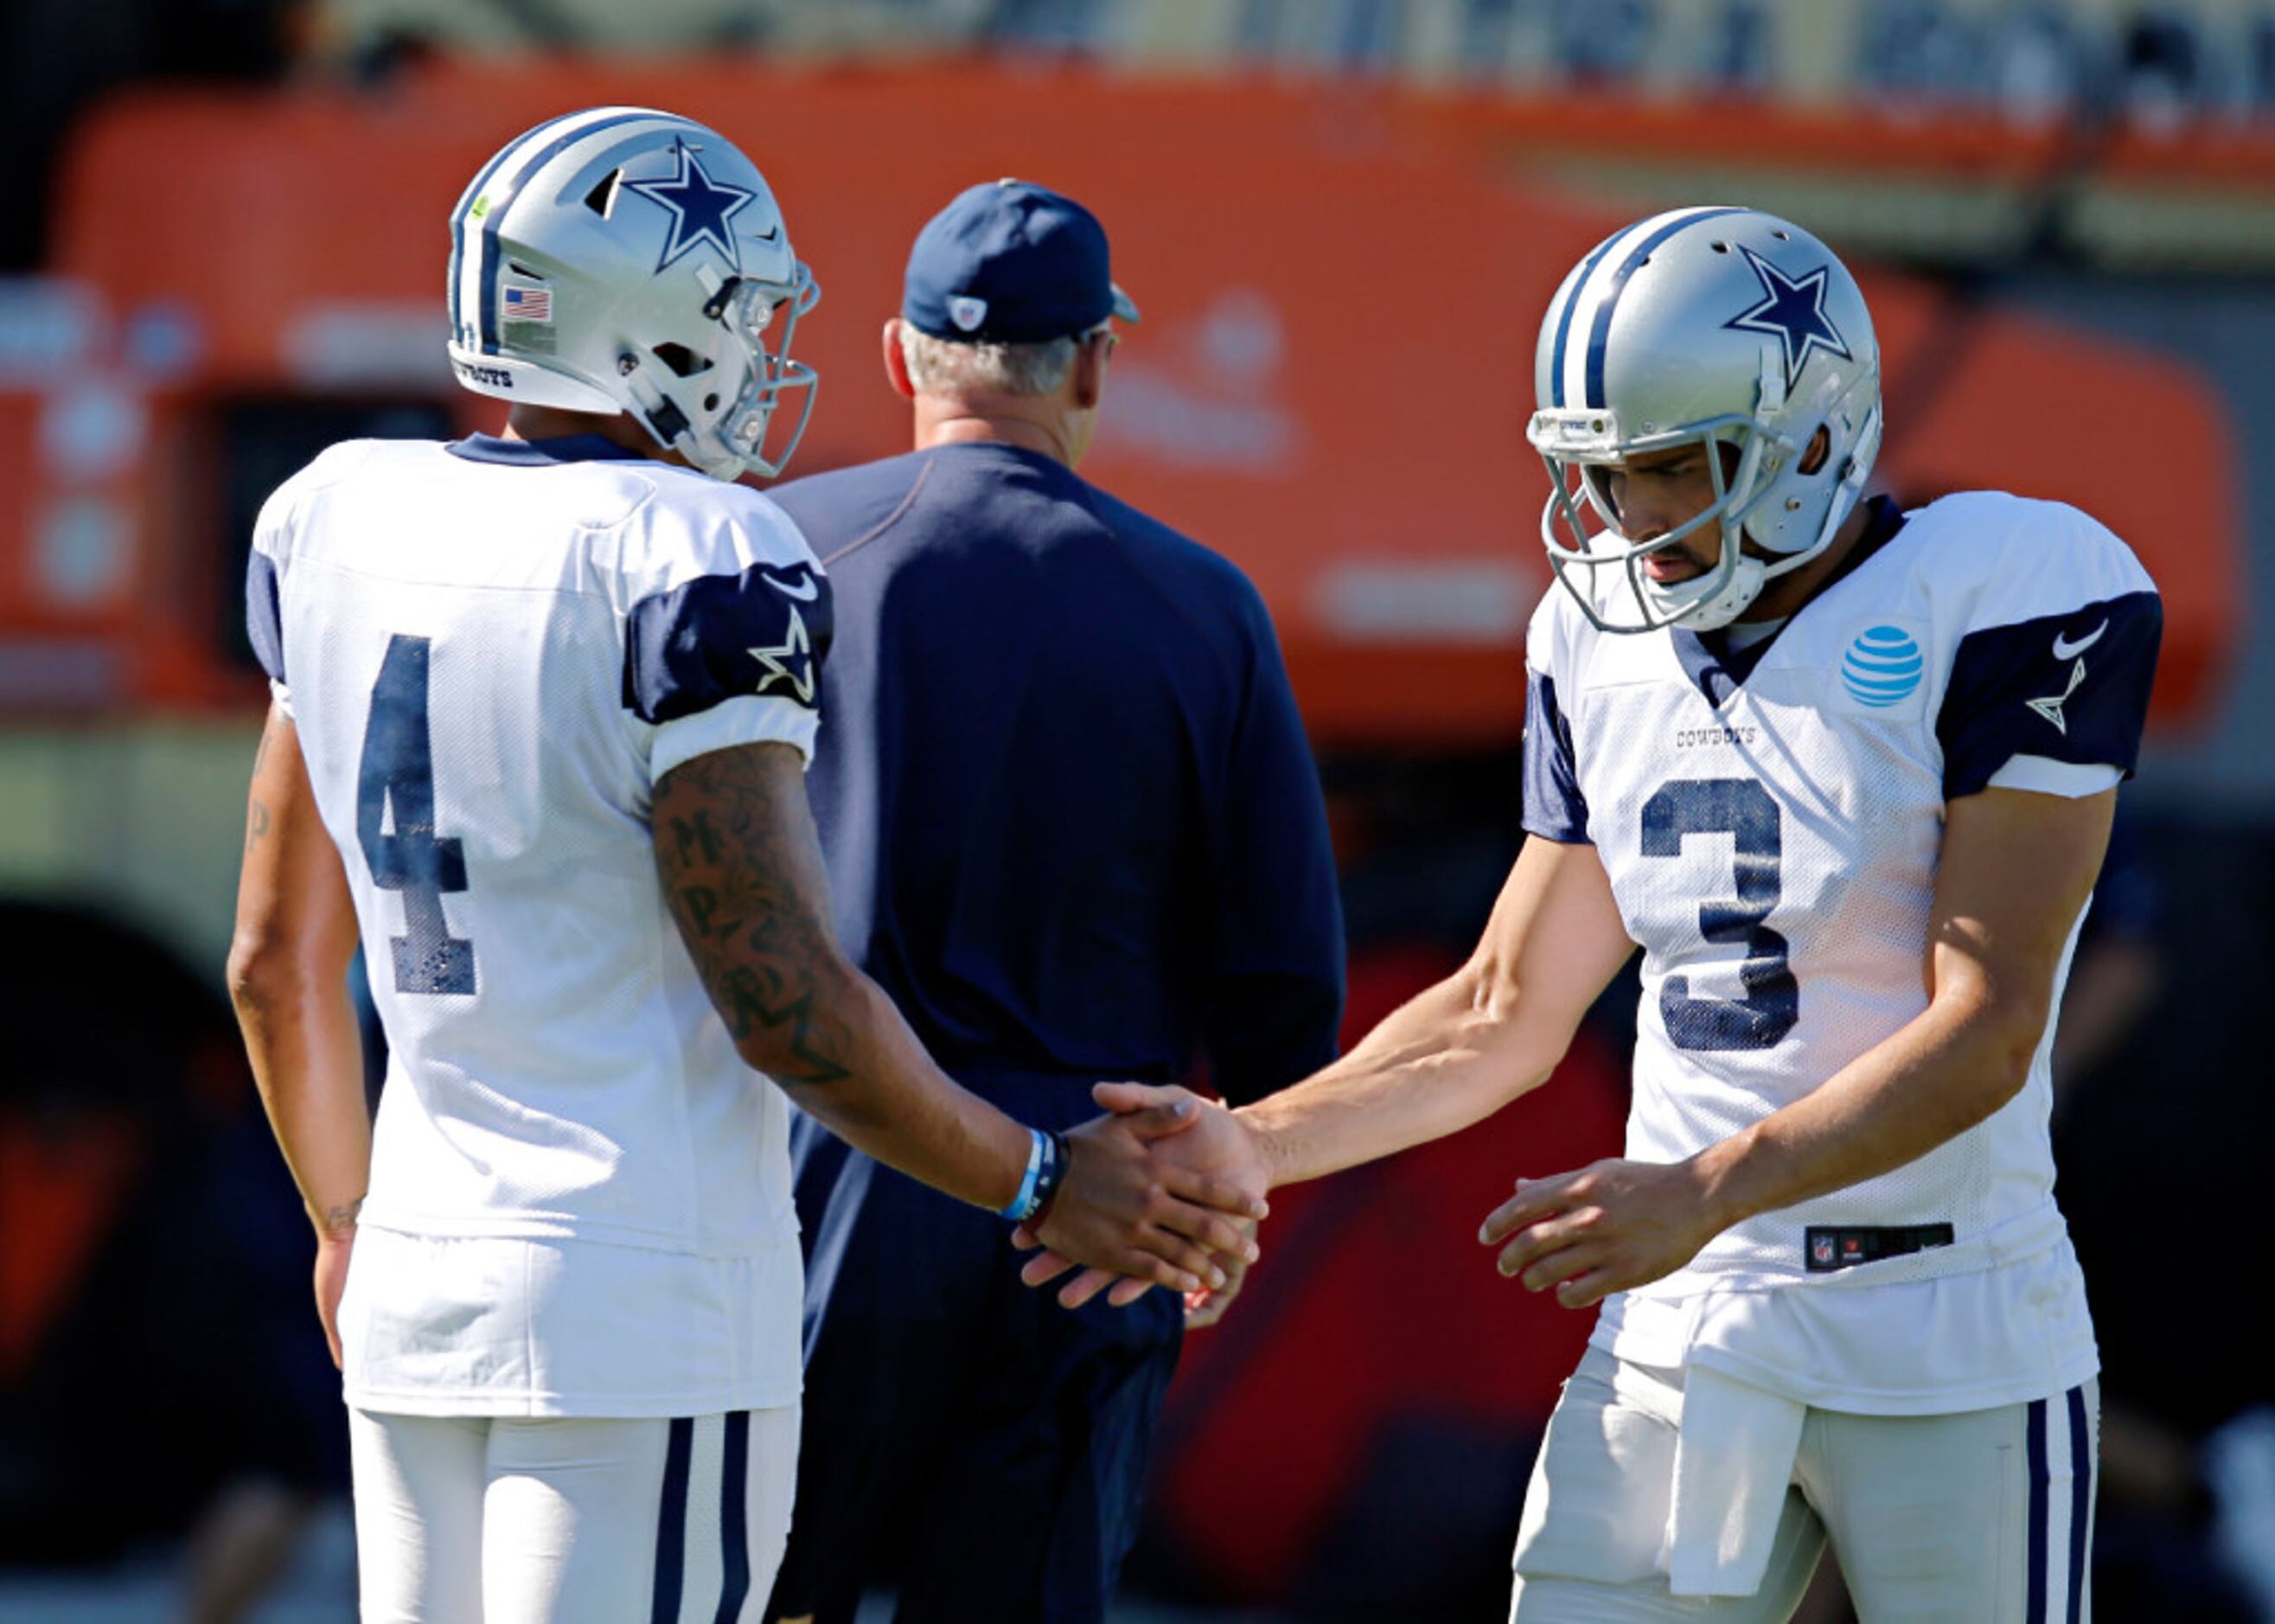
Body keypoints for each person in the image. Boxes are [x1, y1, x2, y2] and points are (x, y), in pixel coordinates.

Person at [1026, 206, 2161, 1621]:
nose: (1632, 519)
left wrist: (1703, 1187)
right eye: (1602, 476)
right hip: (1692, 1312)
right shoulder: (1594, 636)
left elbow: (1989, 1029)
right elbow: (1504, 1004)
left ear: (1811, 440)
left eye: (1672, 468)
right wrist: (1251, 1144)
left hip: (1944, 1316)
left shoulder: (2008, 588)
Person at [223, 111, 1261, 1624]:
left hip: (413, 1276)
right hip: (641, 1294)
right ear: (645, 321)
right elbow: (784, 1002)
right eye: (739, 308)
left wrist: (343, 1220)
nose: (762, 346)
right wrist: (1041, 1176)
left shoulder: (331, 514)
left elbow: (271, 962)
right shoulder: (694, 551)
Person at [757, 178, 1345, 1624]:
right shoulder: (1202, 603)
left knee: (758, 1594)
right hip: (1090, 1212)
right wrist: (1213, 1197)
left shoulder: (771, 553)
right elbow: (1285, 988)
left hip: (807, 1180)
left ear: (898, 357)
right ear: (1093, 362)